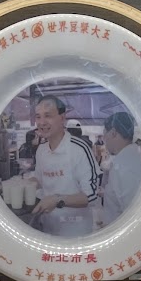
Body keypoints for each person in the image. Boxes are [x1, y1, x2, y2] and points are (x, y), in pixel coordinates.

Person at [30, 96, 98, 237]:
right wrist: (24, 184)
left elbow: (91, 195)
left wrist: (57, 200)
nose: (42, 122)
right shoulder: (41, 150)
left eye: (48, 115)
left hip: (75, 233)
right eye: (38, 116)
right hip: (48, 229)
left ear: (62, 118)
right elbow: (40, 180)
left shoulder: (79, 149)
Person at [98, 112, 141, 227]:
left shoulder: (127, 166)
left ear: (113, 133)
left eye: (105, 134)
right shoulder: (125, 162)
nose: (104, 139)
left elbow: (133, 214)